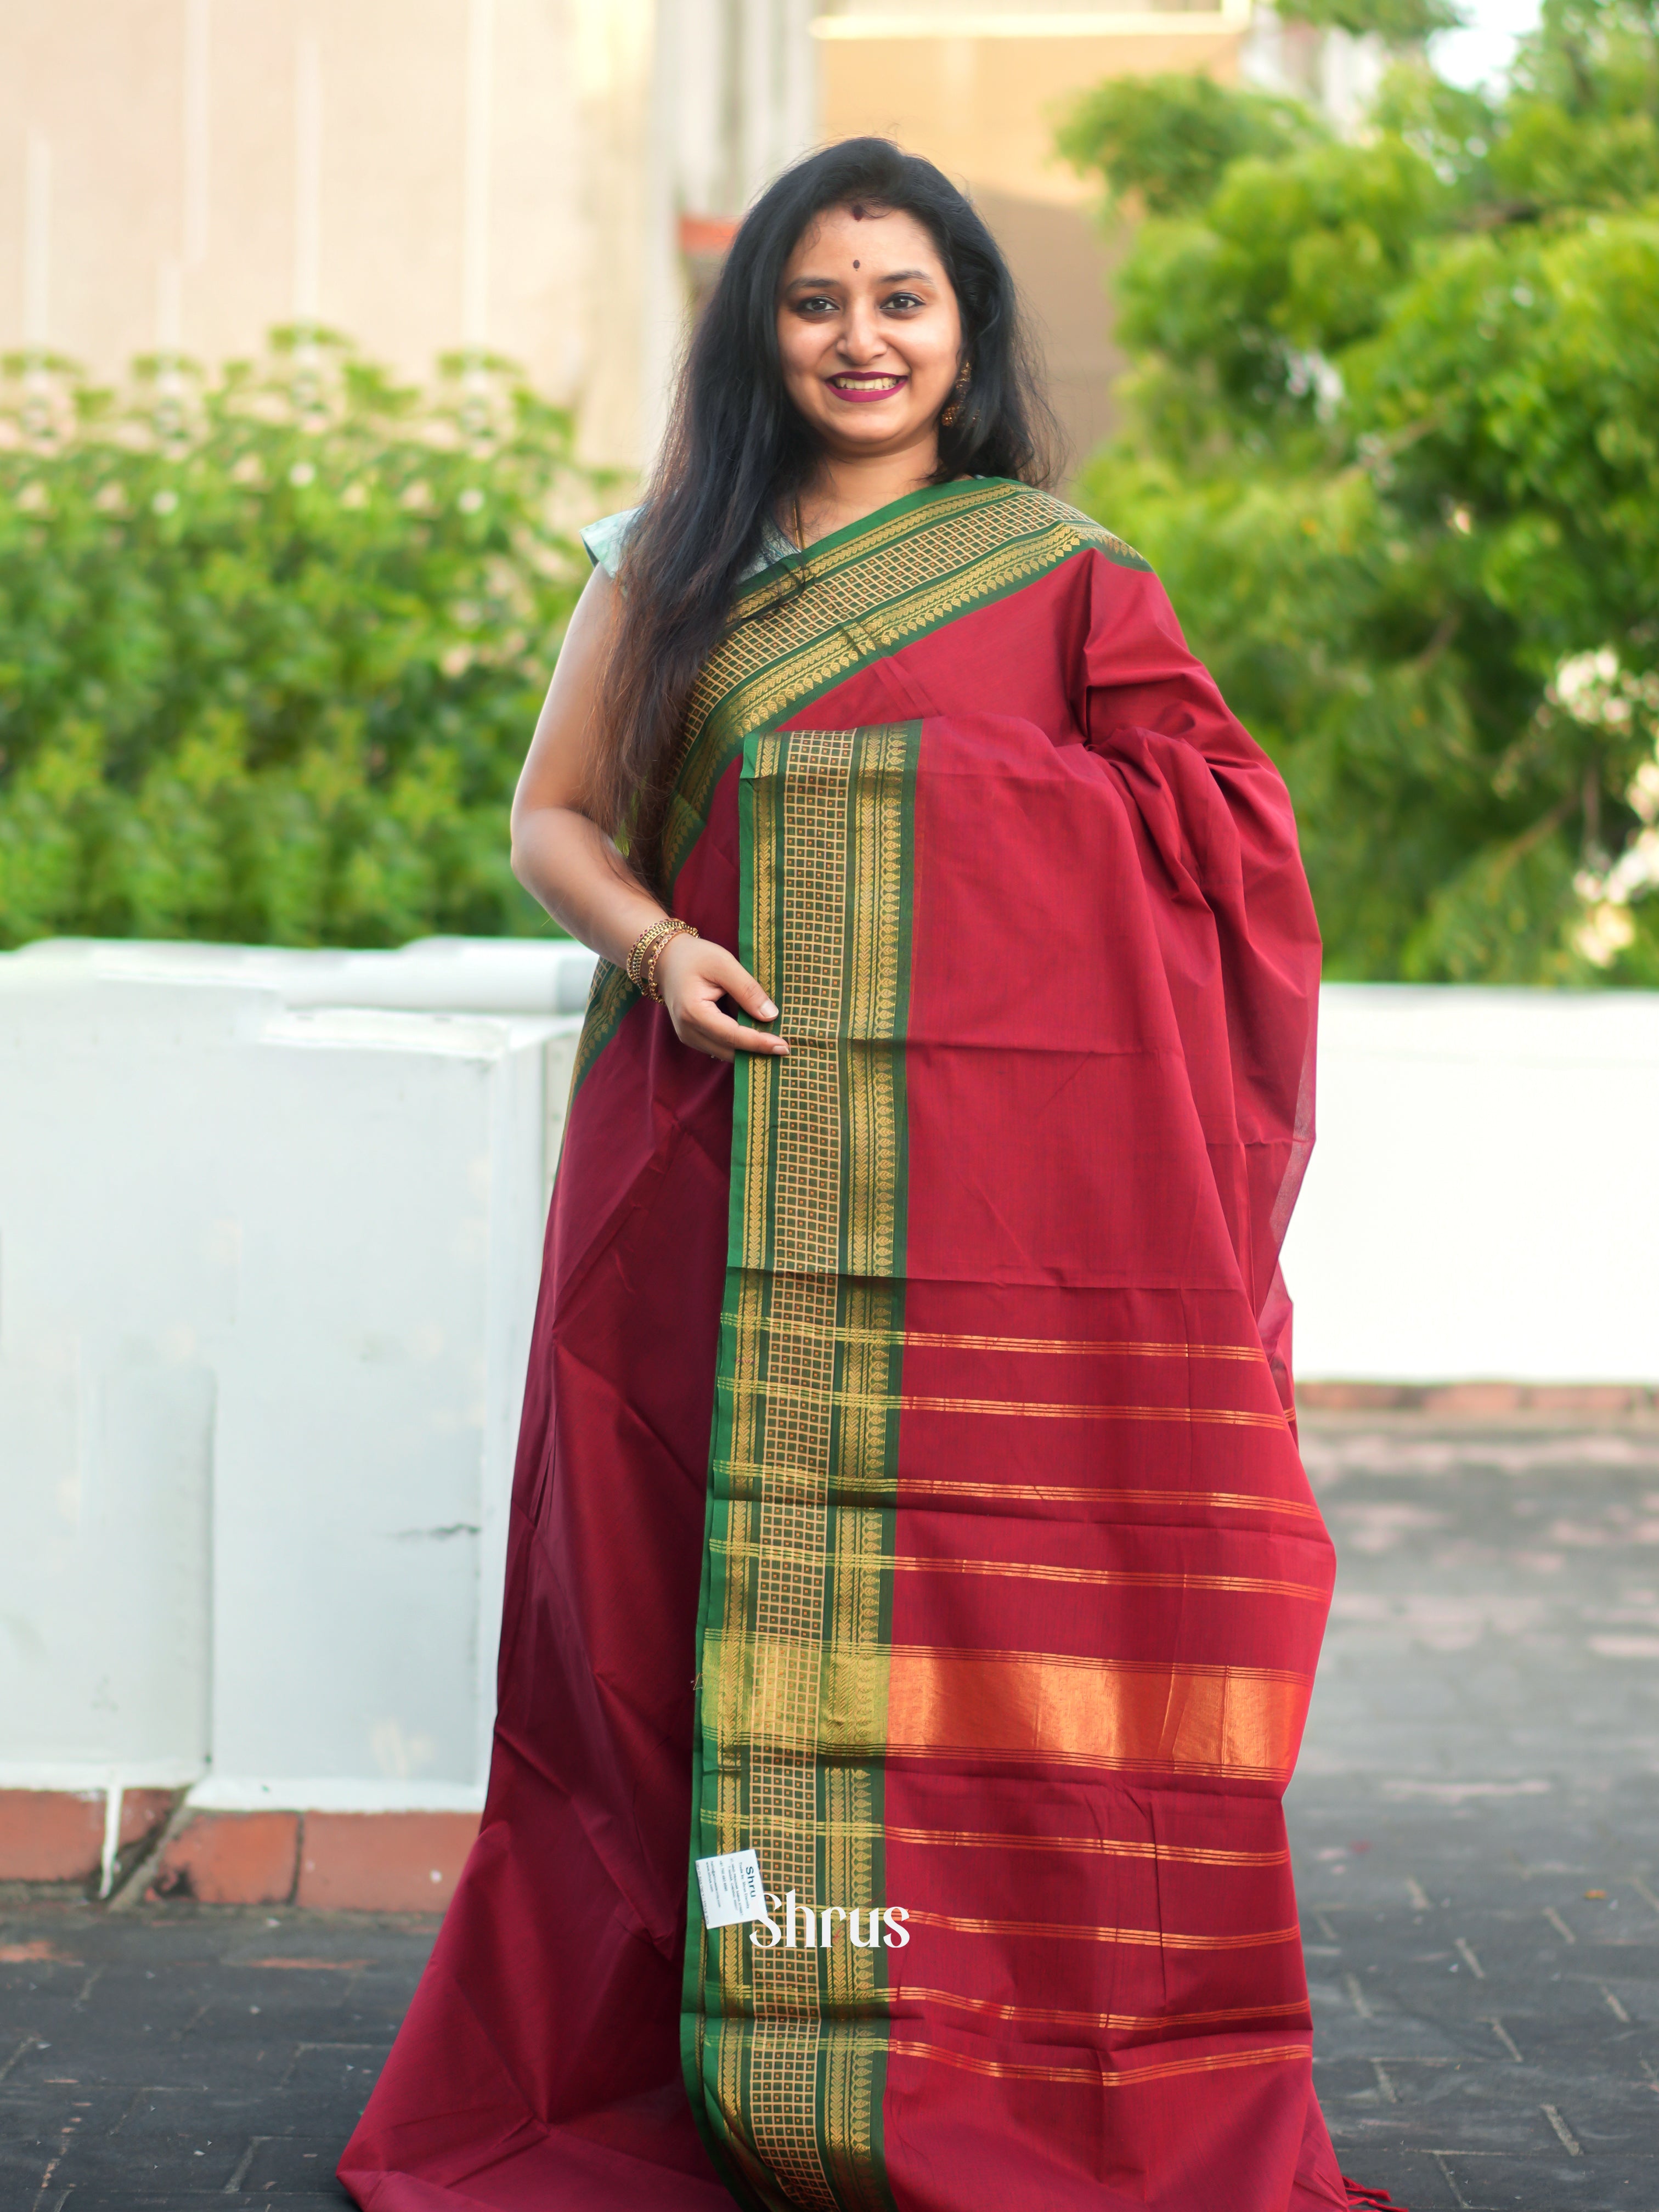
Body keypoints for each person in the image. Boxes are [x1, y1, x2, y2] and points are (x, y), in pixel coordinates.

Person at [340, 138, 1398, 2212]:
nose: (861, 338)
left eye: (903, 299)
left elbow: (1227, 851)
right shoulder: (673, 558)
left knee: (990, 1623)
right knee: (664, 1638)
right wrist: (664, 942)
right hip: (705, 1178)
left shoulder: (1064, 573)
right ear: (761, 331)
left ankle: (974, 2050)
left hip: (1000, 1238)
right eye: (817, 301)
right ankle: (723, 2050)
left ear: (969, 332)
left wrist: (931, 811)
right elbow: (556, 821)